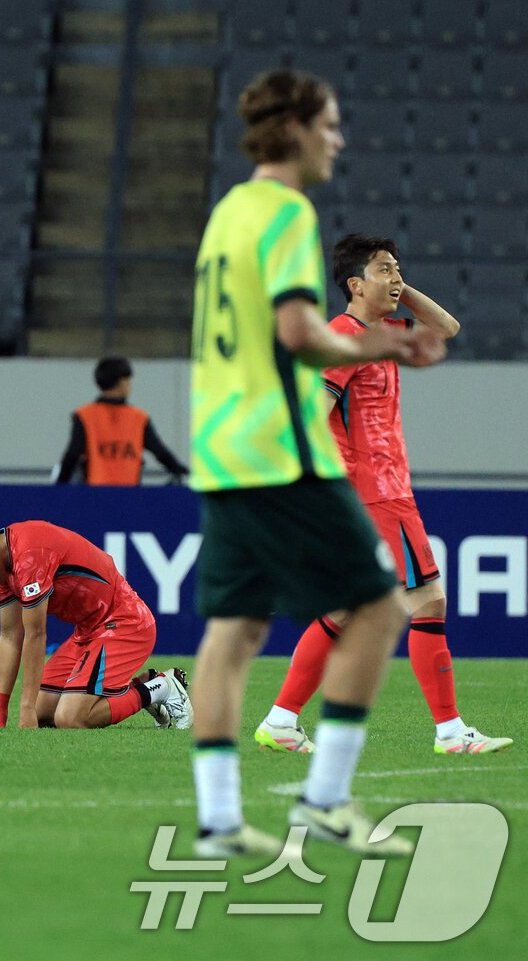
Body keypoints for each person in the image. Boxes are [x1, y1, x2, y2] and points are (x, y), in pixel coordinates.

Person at [187, 69, 445, 858]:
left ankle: (219, 817)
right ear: (295, 130)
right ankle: (327, 798)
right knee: (380, 607)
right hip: (280, 449)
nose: (338, 139)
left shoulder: (227, 212)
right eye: (330, 126)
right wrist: (383, 342)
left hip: (220, 447)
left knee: (233, 631)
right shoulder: (286, 213)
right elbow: (299, 332)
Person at [254, 235, 511, 756]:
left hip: (383, 491)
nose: (396, 277)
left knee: (350, 609)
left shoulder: (383, 331)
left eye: (398, 268)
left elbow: (448, 329)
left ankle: (281, 722)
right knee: (428, 600)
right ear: (354, 285)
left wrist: (395, 288)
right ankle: (450, 731)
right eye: (385, 270)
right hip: (375, 493)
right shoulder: (343, 338)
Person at [0, 522, 192, 733]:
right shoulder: (5, 566)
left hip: (124, 625)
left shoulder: (29, 554)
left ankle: (164, 687)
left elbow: (36, 634)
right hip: (88, 632)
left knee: (70, 718)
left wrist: (24, 707)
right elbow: (10, 635)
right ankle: (142, 686)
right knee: (42, 713)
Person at [52, 357, 189, 485]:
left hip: (94, 496)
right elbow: (160, 452)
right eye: (129, 380)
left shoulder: (84, 415)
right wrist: (181, 471)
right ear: (121, 382)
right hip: (130, 495)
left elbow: (72, 455)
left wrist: (59, 487)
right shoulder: (139, 418)